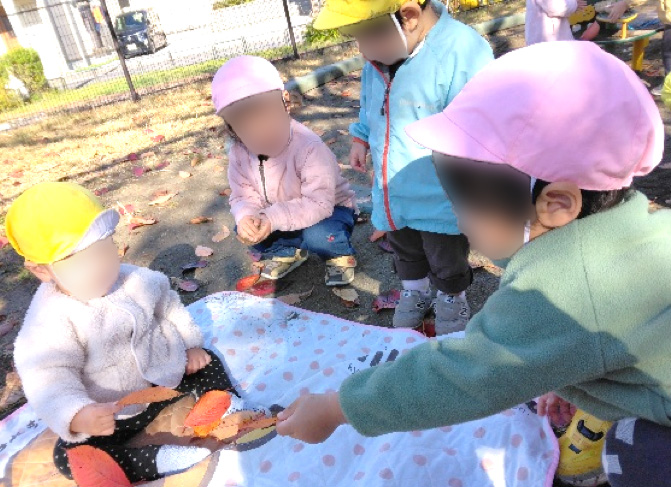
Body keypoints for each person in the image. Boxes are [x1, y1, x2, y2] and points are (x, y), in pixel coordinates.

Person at [275, 41, 671, 487]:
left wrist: (338, 408)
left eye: (466, 202)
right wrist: (570, 371)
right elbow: (594, 332)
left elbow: (465, 376)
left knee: (633, 452)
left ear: (557, 204)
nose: (457, 220)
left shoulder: (561, 293)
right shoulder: (633, 223)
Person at [5, 182, 244, 483]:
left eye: (103, 250)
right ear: (42, 270)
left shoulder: (135, 280)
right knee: (69, 457)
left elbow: (169, 306)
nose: (99, 266)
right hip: (115, 413)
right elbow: (47, 378)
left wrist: (190, 345)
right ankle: (157, 459)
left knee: (208, 359)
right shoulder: (50, 321)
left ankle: (229, 404)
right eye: (79, 261)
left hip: (167, 377)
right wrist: (79, 415)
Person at [314, 0, 494, 333]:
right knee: (405, 247)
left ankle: (451, 296)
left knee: (445, 254)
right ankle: (415, 291)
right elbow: (370, 104)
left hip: (441, 195)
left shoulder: (462, 52)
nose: (362, 49)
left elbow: (482, 122)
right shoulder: (379, 60)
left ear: (408, 17)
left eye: (367, 36)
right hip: (393, 188)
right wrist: (360, 137)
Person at [213, 56, 358, 286]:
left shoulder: (308, 147)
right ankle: (287, 251)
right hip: (280, 214)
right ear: (232, 128)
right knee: (246, 227)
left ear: (285, 103)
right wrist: (246, 217)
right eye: (246, 126)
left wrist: (272, 218)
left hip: (330, 211)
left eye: (267, 117)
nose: (260, 131)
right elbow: (242, 196)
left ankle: (338, 254)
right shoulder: (239, 153)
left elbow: (319, 204)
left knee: (319, 235)